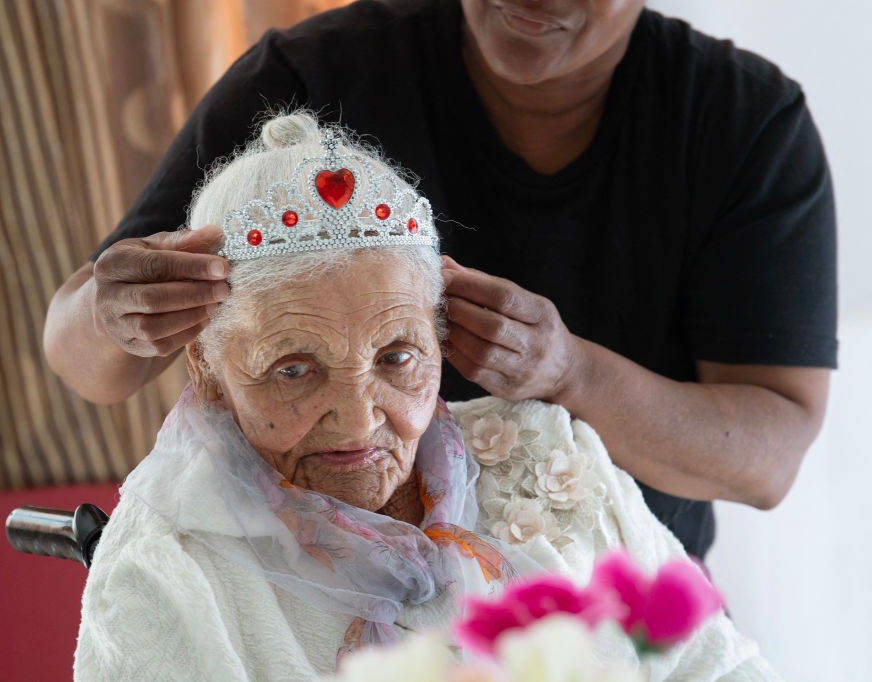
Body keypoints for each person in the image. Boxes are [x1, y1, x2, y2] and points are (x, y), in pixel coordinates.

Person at [44, 0, 837, 561]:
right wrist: (116, 316)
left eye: (394, 356)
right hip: (303, 591)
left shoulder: (745, 125)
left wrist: (571, 373)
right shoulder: (307, 75)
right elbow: (82, 349)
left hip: (605, 614)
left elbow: (766, 461)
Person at [73, 113, 777, 681]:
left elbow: (718, 665)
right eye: (293, 370)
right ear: (206, 367)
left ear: (441, 340)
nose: (359, 417)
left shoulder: (547, 457)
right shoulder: (168, 572)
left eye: (397, 357)